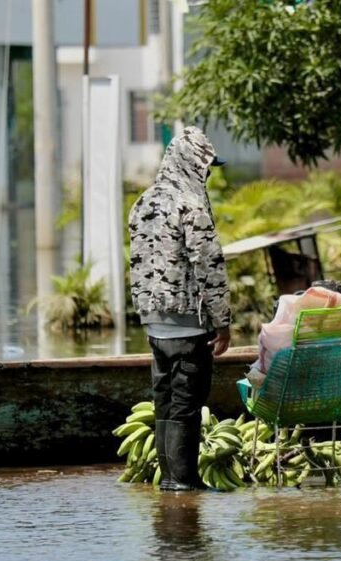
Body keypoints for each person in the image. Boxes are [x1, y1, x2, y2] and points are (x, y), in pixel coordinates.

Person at [128, 126, 232, 491]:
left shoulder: (142, 203)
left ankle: (171, 481)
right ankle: (184, 483)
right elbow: (210, 267)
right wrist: (222, 323)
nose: (208, 174)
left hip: (154, 325)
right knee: (186, 405)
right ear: (192, 163)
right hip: (189, 324)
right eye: (206, 166)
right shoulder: (191, 205)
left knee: (165, 403)